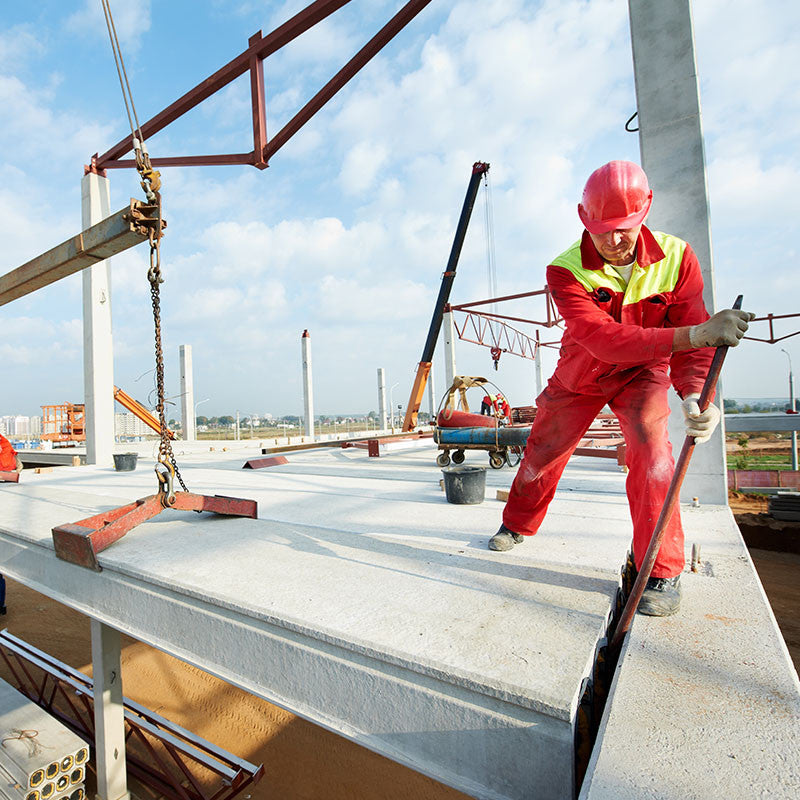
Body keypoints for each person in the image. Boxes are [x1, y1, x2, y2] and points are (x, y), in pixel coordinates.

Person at [488, 160, 754, 616]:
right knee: (542, 452)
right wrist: (695, 335)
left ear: (646, 211)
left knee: (654, 458)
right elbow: (604, 341)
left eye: (625, 229)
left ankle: (662, 570)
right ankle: (517, 523)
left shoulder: (677, 258)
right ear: (583, 218)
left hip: (644, 374)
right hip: (581, 374)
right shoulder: (565, 269)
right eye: (603, 230)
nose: (614, 241)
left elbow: (694, 342)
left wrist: (694, 395)